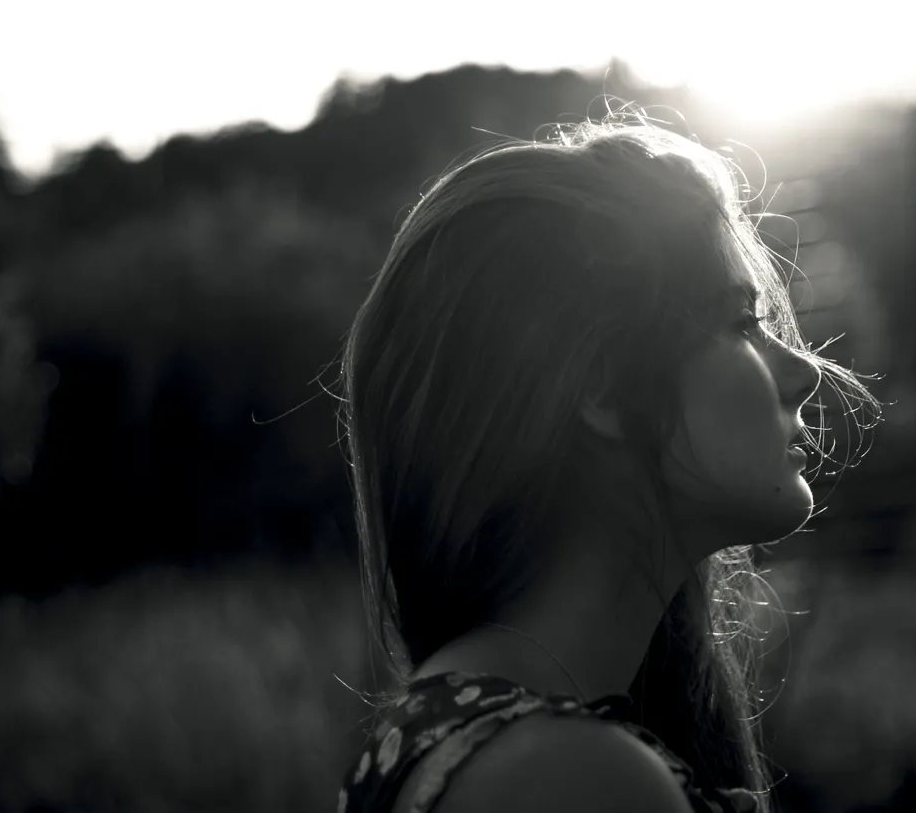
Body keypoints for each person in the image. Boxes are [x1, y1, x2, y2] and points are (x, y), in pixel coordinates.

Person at [334, 110, 880, 813]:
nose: (805, 372)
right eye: (742, 323)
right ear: (601, 385)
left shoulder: (449, 732)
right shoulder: (568, 780)